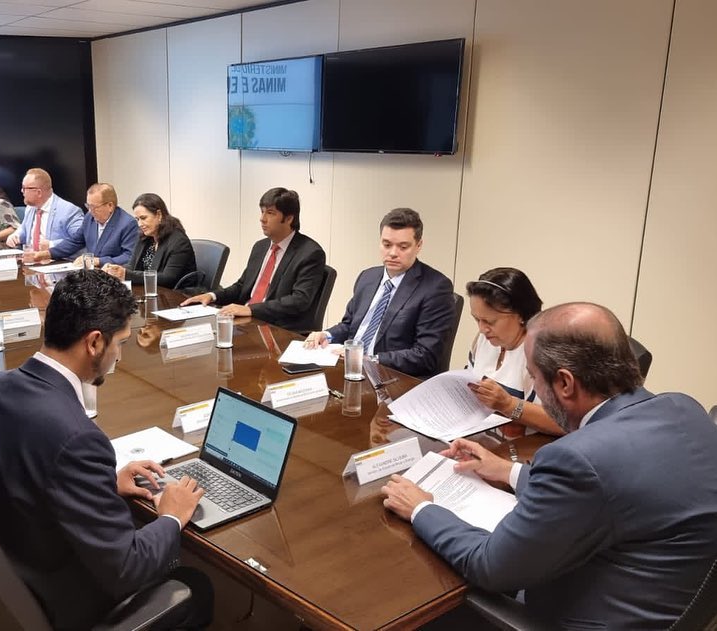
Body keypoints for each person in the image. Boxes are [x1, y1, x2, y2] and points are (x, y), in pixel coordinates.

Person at [381, 302, 717, 628]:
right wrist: (508, 471)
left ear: (566, 384)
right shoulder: (682, 406)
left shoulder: (578, 458)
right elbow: (610, 488)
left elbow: (490, 566)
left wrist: (423, 509)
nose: (534, 388)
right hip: (663, 601)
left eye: (534, 377)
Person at [0, 270, 212, 630]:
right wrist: (171, 515)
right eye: (120, 343)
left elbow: (21, 479)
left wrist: (101, 484)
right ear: (94, 342)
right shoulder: (78, 438)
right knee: (196, 585)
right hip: (52, 600)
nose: (119, 357)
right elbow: (127, 569)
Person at [305, 208, 455, 377]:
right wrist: (327, 335)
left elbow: (425, 355)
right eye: (387, 244)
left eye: (403, 247)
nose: (392, 253)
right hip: (349, 369)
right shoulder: (368, 277)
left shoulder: (435, 288)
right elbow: (349, 325)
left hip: (391, 378)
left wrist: (369, 359)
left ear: (418, 245)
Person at [181, 187, 326, 333]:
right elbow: (241, 286)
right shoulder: (260, 247)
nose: (262, 218)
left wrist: (250, 310)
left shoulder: (310, 253)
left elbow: (299, 301)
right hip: (246, 323)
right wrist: (212, 296)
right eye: (262, 211)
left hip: (276, 328)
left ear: (289, 218)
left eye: (270, 213)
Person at [464, 267, 562, 436]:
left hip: (524, 451)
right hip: (480, 438)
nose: (482, 329)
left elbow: (563, 424)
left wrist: (508, 405)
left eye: (490, 321)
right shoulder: (484, 340)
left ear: (521, 314)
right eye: (476, 319)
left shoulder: (541, 353)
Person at [101, 193, 197, 289]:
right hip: (151, 291)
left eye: (143, 218)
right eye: (137, 219)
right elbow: (131, 266)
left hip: (177, 295)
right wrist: (115, 270)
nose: (139, 224)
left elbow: (168, 278)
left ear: (159, 215)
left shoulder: (179, 241)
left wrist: (126, 274)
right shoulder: (144, 237)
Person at [34, 182, 138, 268]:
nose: (90, 211)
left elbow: (129, 256)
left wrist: (98, 261)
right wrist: (47, 254)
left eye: (94, 207)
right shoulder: (89, 217)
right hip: (91, 275)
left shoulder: (127, 224)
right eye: (88, 206)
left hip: (113, 277)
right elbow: (75, 241)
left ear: (110, 206)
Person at [5, 168, 82, 253]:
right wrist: (15, 236)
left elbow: (80, 240)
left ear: (38, 192)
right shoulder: (30, 208)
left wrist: (52, 244)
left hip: (56, 260)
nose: (22, 191)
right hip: (31, 259)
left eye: (24, 188)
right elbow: (24, 230)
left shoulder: (69, 211)